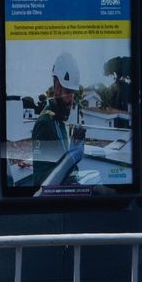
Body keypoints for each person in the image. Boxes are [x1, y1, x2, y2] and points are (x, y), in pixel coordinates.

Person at [30, 51, 87, 186]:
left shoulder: (58, 121)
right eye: (68, 92)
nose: (71, 100)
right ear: (56, 87)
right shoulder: (45, 123)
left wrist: (73, 151)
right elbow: (41, 181)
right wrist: (71, 158)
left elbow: (62, 168)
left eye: (72, 94)